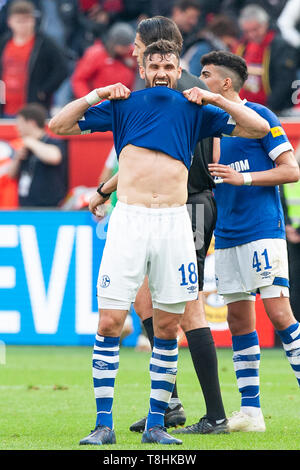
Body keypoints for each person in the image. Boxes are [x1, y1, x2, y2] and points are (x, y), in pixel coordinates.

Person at [49, 40, 269, 445]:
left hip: (175, 222)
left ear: (177, 66)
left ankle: (155, 424)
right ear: (143, 68)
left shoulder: (195, 108)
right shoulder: (124, 104)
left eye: (169, 64)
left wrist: (215, 99)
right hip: (130, 219)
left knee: (169, 327)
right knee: (110, 322)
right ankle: (103, 425)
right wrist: (97, 93)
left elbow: (258, 128)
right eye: (155, 65)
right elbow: (59, 126)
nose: (163, 71)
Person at [129, 15, 228, 435]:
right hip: (178, 203)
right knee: (144, 300)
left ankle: (216, 415)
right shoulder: (185, 89)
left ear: (153, 47)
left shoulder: (174, 92)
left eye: (138, 44)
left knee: (186, 306)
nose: (134, 50)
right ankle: (168, 402)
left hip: (186, 205)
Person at [196, 50, 300, 432]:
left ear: (225, 83)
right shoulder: (207, 123)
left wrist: (244, 179)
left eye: (205, 74)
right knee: (240, 320)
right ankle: (251, 413)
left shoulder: (261, 119)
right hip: (225, 237)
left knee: (279, 315)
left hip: (261, 231)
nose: (198, 79)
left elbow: (292, 170)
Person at [0, 0, 68, 117]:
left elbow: (62, 69)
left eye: (26, 20)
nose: (23, 25)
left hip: (34, 111)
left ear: (33, 20)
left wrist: (43, 91)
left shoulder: (45, 44)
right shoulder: (4, 43)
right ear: (10, 22)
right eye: (19, 21)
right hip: (5, 107)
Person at [235, 4, 298, 115]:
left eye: (255, 29)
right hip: (245, 110)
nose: (252, 35)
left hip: (273, 111)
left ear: (265, 25)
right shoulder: (243, 46)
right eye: (247, 31)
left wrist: (268, 110)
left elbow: (284, 82)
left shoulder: (279, 46)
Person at [7, 103, 67, 207]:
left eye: (20, 123)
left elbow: (54, 157)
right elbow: (10, 174)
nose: (17, 128)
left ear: (31, 123)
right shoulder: (23, 146)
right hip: (25, 204)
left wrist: (30, 142)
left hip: (49, 206)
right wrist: (17, 158)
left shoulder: (53, 142)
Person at [72, 22, 136, 99]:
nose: (127, 49)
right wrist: (89, 103)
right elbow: (79, 80)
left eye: (128, 46)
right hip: (100, 103)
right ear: (113, 44)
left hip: (124, 103)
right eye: (123, 46)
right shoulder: (96, 54)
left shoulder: (132, 53)